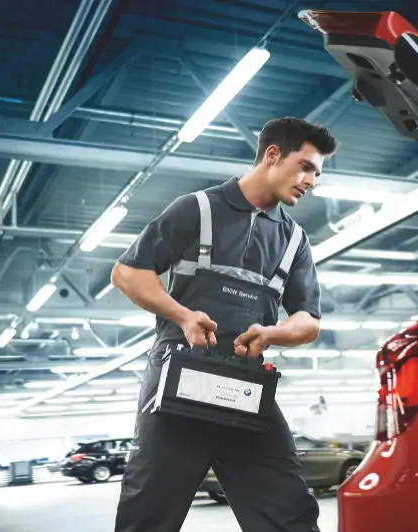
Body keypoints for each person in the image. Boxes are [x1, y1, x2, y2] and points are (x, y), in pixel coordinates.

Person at [110, 117, 338, 532]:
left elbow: (308, 321)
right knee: (147, 516)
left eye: (316, 174)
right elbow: (128, 273)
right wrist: (182, 315)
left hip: (247, 388)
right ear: (273, 155)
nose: (310, 181)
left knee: (290, 514)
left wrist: (274, 333)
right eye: (305, 167)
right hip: (179, 382)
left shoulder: (294, 240)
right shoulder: (196, 209)